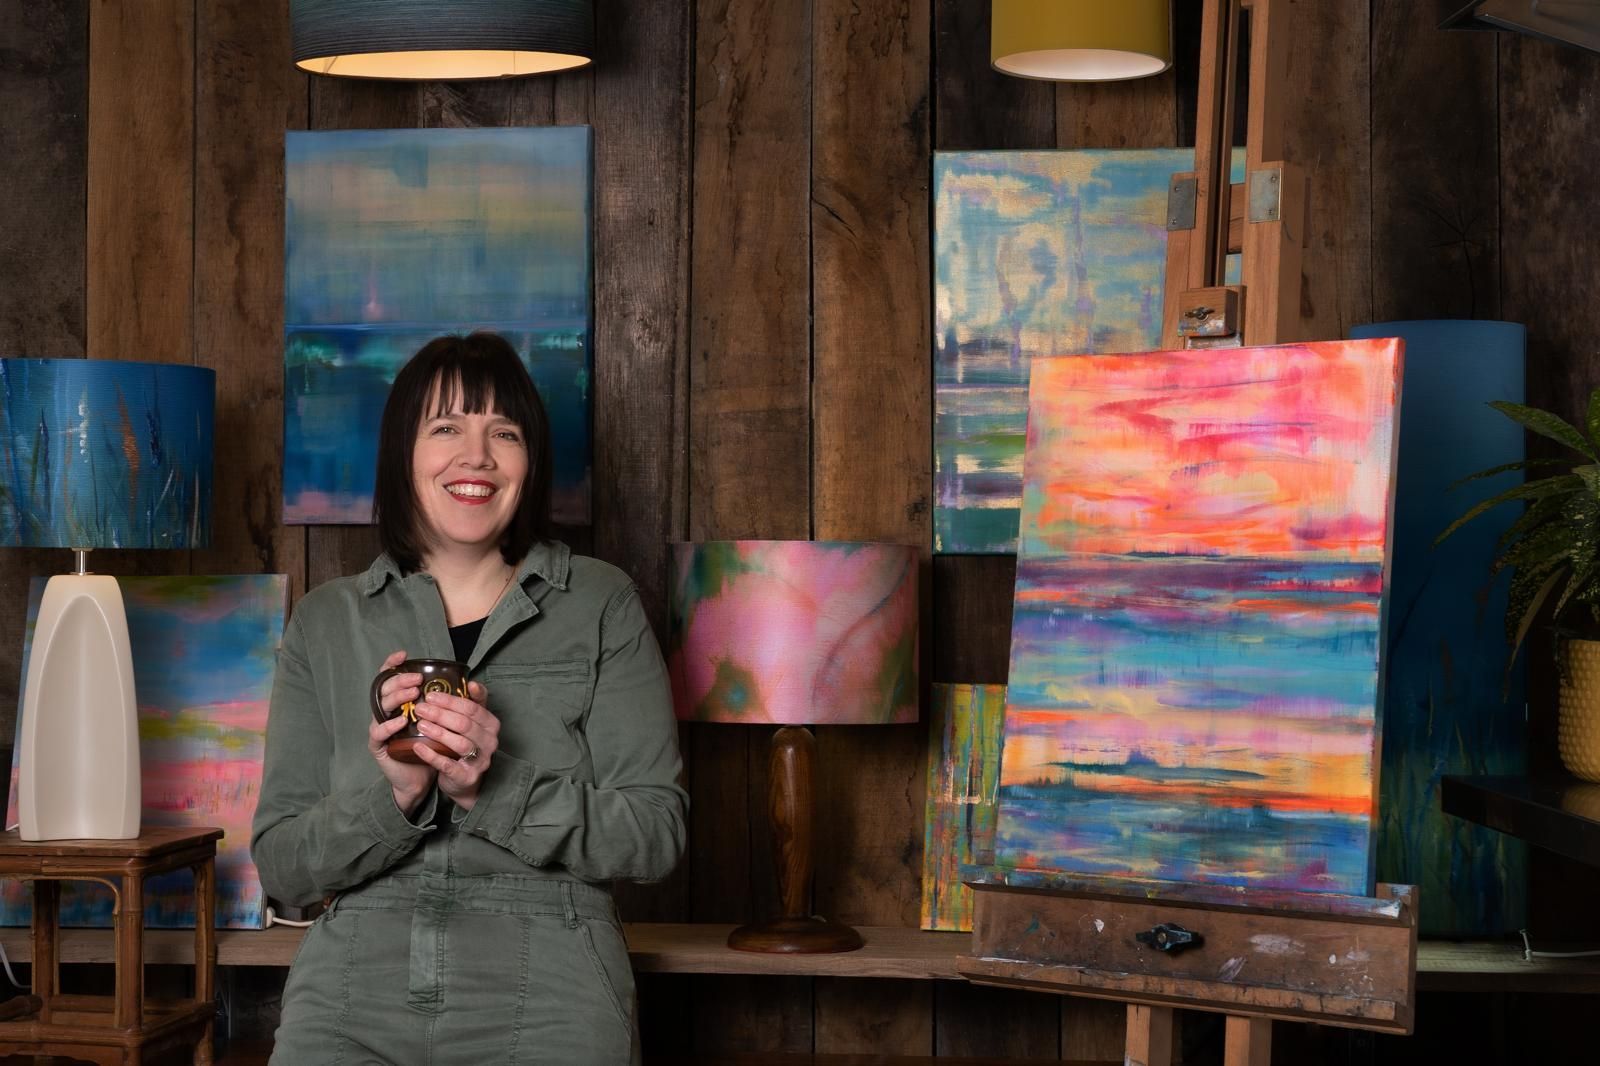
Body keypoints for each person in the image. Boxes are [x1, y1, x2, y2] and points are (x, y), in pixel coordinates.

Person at [252, 332, 686, 1065]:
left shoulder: (601, 602)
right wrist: (395, 797)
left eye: (503, 434)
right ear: (403, 454)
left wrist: (496, 785)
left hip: (552, 978)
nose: (476, 456)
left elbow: (657, 833)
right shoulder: (327, 621)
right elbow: (283, 866)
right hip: (352, 983)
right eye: (446, 427)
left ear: (528, 462)